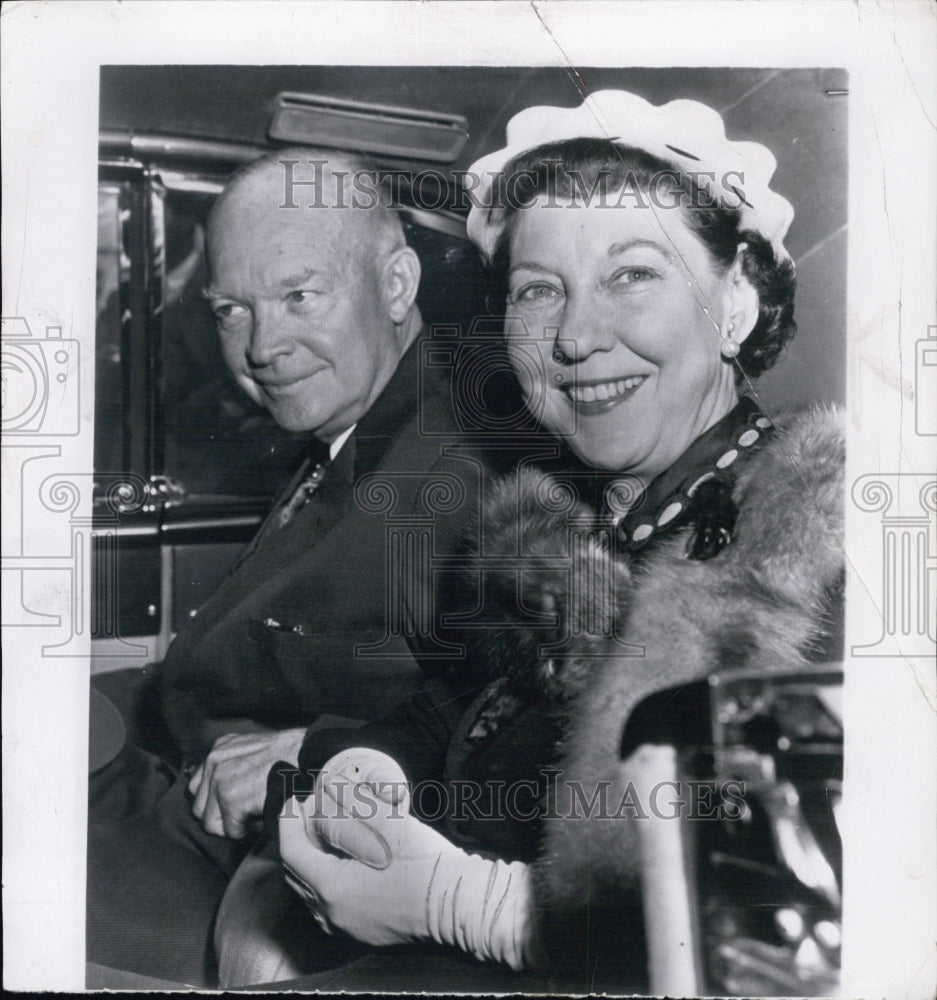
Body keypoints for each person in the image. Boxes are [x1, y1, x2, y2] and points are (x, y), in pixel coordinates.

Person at [232, 91, 845, 991]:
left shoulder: (822, 559)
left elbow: (804, 949)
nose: (575, 337)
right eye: (537, 290)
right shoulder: (582, 532)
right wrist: (369, 766)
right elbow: (461, 712)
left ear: (738, 303)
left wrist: (466, 904)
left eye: (633, 274)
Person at [87, 147, 505, 986]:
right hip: (176, 785)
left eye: (298, 296)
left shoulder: (462, 462)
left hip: (259, 862)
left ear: (395, 285)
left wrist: (311, 750)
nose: (263, 344)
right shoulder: (351, 432)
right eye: (231, 310)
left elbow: (507, 722)